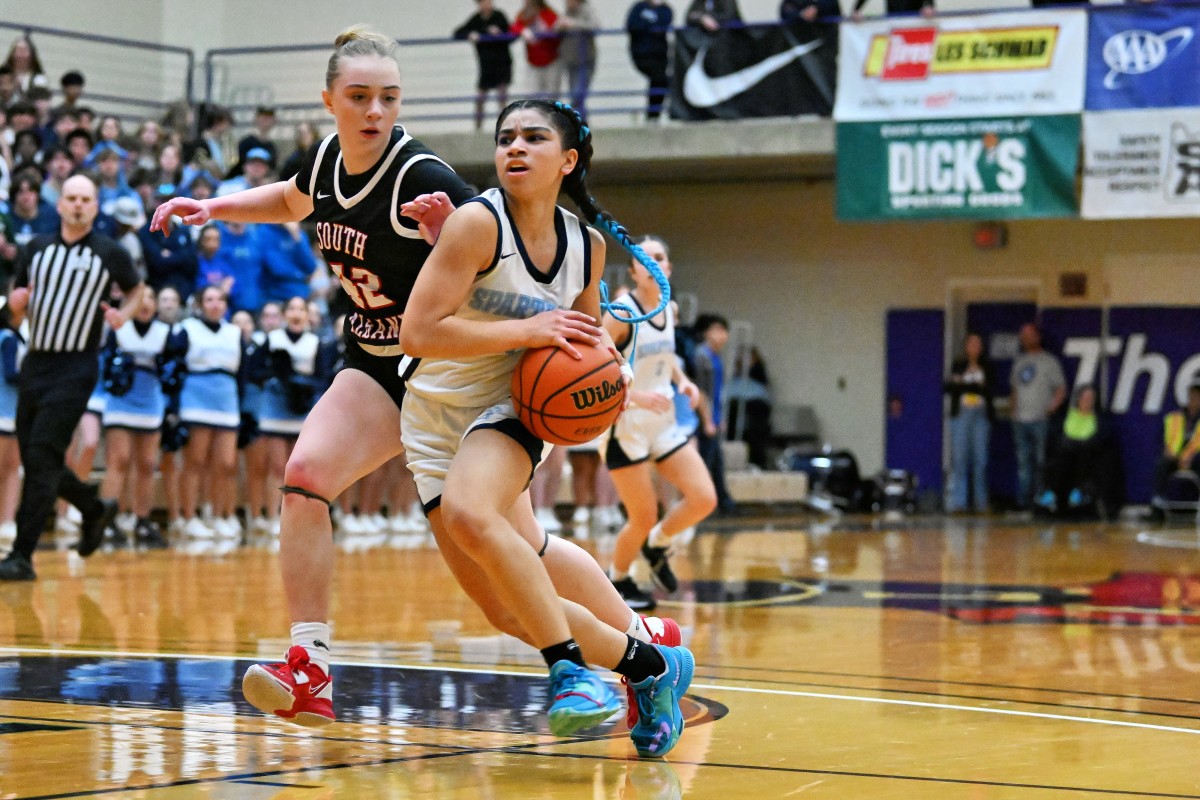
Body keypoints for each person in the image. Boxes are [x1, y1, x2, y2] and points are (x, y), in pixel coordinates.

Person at [150, 28, 680, 733]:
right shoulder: (329, 163)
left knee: (511, 548)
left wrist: (451, 249)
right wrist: (215, 207)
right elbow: (291, 198)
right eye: (360, 97)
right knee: (320, 483)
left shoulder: (426, 177)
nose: (375, 111)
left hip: (463, 368)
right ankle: (310, 664)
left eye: (389, 98)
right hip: (384, 363)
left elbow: (504, 271)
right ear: (330, 101)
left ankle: (613, 651)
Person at [399, 98, 694, 755]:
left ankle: (569, 671)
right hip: (429, 419)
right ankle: (649, 664)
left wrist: (612, 382)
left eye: (534, 137)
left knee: (474, 516)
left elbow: (585, 340)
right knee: (509, 602)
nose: (515, 147)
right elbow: (416, 333)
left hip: (510, 408)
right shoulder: (476, 224)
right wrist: (528, 325)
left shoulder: (583, 248)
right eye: (506, 137)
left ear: (568, 159)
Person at [0, 174, 145, 581]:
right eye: (72, 198)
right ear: (60, 204)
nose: (78, 204)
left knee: (43, 453)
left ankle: (21, 555)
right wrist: (13, 307)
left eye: (86, 199)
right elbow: (17, 305)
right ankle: (93, 506)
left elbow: (137, 290)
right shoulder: (35, 249)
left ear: (95, 207)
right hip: (35, 363)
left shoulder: (110, 253)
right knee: (35, 456)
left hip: (76, 367)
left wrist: (124, 314)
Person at [602, 235, 715, 611]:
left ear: (668, 268)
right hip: (626, 425)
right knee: (643, 514)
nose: (653, 264)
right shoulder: (621, 312)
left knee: (703, 498)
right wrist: (634, 397)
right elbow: (591, 369)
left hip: (661, 422)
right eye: (644, 259)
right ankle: (617, 581)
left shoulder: (671, 308)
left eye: (660, 258)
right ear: (634, 270)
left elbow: (665, 357)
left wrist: (682, 381)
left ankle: (657, 544)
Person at [97, 287, 177, 549]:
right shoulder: (118, 329)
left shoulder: (166, 333)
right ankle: (107, 520)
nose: (145, 304)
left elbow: (172, 372)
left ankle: (142, 518)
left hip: (151, 405)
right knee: (118, 461)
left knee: (146, 463)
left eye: (151, 298)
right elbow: (106, 366)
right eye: (140, 299)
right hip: (120, 404)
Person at [173, 284, 244, 541]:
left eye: (220, 299)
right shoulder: (187, 329)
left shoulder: (235, 332)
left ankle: (218, 515)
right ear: (201, 304)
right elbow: (176, 366)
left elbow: (242, 373)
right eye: (210, 299)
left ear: (226, 304)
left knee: (225, 464)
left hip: (227, 402)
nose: (215, 304)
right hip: (196, 400)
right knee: (195, 462)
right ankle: (189, 517)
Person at [1036, 385, 1122, 517]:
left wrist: (1084, 443)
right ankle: (1051, 494)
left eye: (1091, 398)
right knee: (1060, 457)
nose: (1088, 401)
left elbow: (1102, 437)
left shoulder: (1099, 418)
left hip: (1088, 454)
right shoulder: (1067, 416)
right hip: (1067, 454)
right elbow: (1058, 436)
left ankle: (1078, 493)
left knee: (1085, 454)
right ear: (1078, 399)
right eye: (1085, 397)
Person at [1010, 322, 1065, 511]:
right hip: (1020, 421)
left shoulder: (1049, 361)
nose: (1026, 339)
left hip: (1041, 420)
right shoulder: (1019, 362)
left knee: (1042, 462)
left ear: (1038, 337)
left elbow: (1061, 389)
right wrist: (1013, 412)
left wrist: (1052, 408)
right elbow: (1015, 390)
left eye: (1029, 335)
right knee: (1024, 465)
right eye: (1022, 335)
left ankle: (1040, 500)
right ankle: (1024, 501)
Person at [691, 313, 736, 515]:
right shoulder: (701, 355)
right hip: (701, 420)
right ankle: (703, 506)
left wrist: (721, 418)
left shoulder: (716, 357)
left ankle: (723, 503)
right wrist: (707, 419)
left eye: (725, 330)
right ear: (707, 332)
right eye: (718, 329)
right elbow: (702, 391)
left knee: (717, 464)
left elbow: (719, 392)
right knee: (706, 464)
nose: (723, 335)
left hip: (715, 418)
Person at [943, 332, 993, 513]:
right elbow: (948, 387)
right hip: (961, 414)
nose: (975, 347)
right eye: (971, 344)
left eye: (978, 344)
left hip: (980, 414)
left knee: (981, 459)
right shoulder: (958, 365)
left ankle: (981, 502)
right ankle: (959, 503)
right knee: (959, 458)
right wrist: (968, 382)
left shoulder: (987, 365)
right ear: (966, 347)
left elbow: (988, 387)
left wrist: (964, 383)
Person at [454, 0, 515, 130]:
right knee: (480, 98)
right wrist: (470, 34)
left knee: (501, 97)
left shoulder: (499, 16)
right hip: (486, 66)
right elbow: (458, 32)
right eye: (484, 2)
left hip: (501, 63)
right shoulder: (476, 19)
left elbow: (511, 35)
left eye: (489, 2)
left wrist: (499, 34)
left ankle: (505, 128)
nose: (487, 4)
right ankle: (478, 129)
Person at [1151, 383, 1200, 513]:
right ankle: (1157, 504)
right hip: (1175, 457)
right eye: (1192, 396)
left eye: (1197, 397)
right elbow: (1166, 439)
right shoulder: (1175, 417)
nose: (1194, 400)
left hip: (1195, 458)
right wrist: (1169, 452)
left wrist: (1190, 457)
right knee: (1162, 462)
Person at [0, 316, 25, 556]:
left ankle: (7, 523)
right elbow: (11, 374)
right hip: (6, 412)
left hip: (13, 413)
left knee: (11, 469)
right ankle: (6, 523)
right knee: (9, 470)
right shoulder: (8, 339)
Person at [626, 0, 674, 120]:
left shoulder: (665, 9)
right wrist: (650, 27)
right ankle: (652, 115)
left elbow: (662, 25)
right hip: (641, 54)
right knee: (659, 79)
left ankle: (653, 115)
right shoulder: (639, 7)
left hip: (660, 55)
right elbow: (632, 25)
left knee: (660, 81)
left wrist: (646, 26)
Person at [512, 1, 563, 100]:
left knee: (552, 97)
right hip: (533, 63)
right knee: (532, 97)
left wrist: (549, 33)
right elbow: (514, 26)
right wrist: (523, 30)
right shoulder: (524, 14)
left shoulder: (549, 13)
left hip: (551, 62)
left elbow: (557, 35)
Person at [558, 0, 601, 114]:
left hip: (585, 59)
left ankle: (579, 123)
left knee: (578, 94)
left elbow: (595, 26)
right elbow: (556, 27)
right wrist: (560, 26)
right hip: (570, 59)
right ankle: (579, 123)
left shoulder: (587, 9)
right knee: (573, 94)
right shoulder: (567, 11)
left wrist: (573, 24)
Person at [1, 37, 49, 102]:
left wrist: (19, 88)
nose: (20, 55)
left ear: (32, 55)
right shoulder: (3, 74)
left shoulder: (39, 79)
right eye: (17, 50)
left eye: (24, 51)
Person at [851, 0, 933, 19]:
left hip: (915, 21)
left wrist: (928, 6)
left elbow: (929, 3)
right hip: (893, 19)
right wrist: (856, 10)